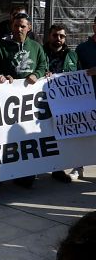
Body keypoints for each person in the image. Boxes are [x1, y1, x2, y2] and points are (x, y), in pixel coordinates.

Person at [0, 15, 48, 189]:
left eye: (22, 26)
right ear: (11, 27)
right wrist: (1, 77)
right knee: (5, 139)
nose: (19, 29)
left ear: (29, 27)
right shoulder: (1, 48)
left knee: (26, 138)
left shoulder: (36, 47)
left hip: (30, 105)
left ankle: (26, 173)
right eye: (16, 26)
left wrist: (36, 75)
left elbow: (43, 66)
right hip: (7, 104)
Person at [44, 24, 82, 183]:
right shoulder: (42, 52)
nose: (58, 39)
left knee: (63, 136)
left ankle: (59, 168)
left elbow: (79, 76)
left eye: (61, 36)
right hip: (44, 103)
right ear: (49, 36)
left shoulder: (72, 56)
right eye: (55, 35)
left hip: (65, 104)